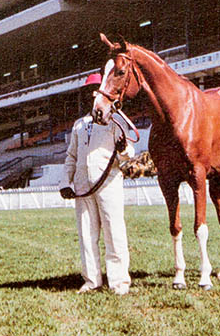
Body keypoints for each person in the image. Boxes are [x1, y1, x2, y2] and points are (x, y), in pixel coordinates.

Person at [59, 73, 135, 295]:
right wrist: (66, 181)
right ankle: (92, 280)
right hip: (83, 188)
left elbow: (129, 153)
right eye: (88, 91)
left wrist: (122, 149)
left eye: (95, 90)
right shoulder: (79, 125)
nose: (91, 95)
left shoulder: (117, 121)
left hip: (108, 184)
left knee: (114, 232)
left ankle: (119, 282)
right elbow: (72, 156)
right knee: (86, 235)